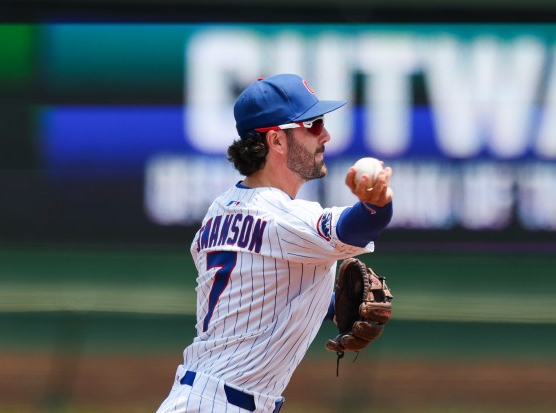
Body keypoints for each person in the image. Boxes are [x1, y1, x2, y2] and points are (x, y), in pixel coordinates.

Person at [156, 73, 393, 413]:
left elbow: (256, 295)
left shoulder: (220, 209)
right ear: (277, 141)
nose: (325, 135)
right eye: (312, 125)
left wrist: (325, 304)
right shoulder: (282, 218)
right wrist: (378, 202)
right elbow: (357, 227)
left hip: (203, 398)